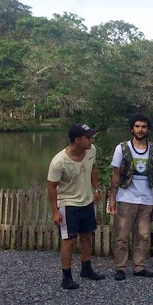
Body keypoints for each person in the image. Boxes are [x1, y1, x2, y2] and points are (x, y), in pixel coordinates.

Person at [47, 123, 105, 290]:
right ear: (77, 140)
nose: (91, 140)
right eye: (87, 137)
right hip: (68, 204)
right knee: (69, 240)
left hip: (86, 201)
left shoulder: (91, 150)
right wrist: (54, 211)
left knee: (87, 235)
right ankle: (66, 277)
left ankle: (86, 268)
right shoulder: (59, 161)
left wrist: (96, 188)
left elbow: (93, 169)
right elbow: (51, 186)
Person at [109, 113, 153, 280]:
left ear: (148, 129)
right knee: (122, 236)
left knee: (143, 236)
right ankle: (120, 268)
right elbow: (116, 174)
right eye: (137, 126)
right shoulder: (122, 148)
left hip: (146, 199)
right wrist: (112, 197)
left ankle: (139, 267)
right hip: (126, 198)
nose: (140, 130)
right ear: (132, 128)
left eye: (144, 127)